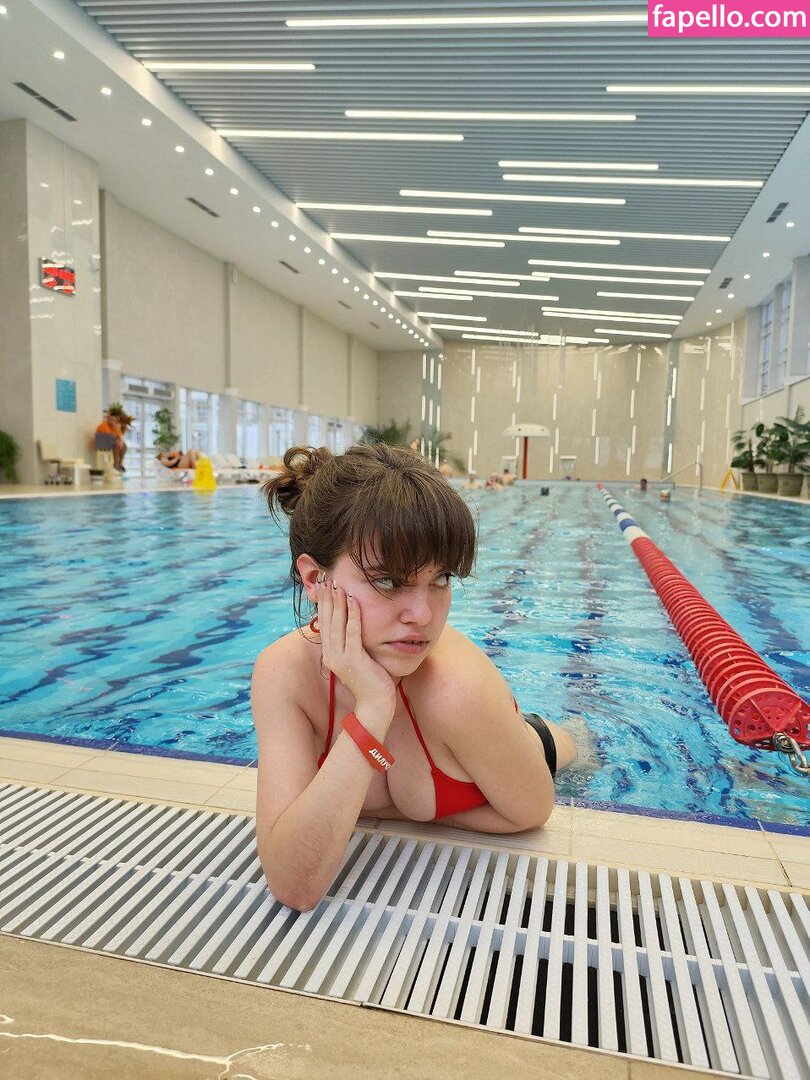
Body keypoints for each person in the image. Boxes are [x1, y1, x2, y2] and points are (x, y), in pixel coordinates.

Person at [251, 444, 576, 911]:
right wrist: (373, 706)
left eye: (441, 579)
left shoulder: (457, 689)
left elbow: (530, 813)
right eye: (387, 581)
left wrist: (387, 807)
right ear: (315, 579)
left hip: (534, 745)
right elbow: (294, 884)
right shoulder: (284, 674)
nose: (422, 615)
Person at [94, 406, 130, 473]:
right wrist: (118, 440)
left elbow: (120, 437)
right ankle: (115, 463)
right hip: (102, 442)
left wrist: (121, 442)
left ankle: (120, 463)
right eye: (111, 420)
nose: (112, 421)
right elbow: (110, 437)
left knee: (124, 446)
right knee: (117, 443)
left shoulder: (116, 426)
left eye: (114, 420)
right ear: (108, 419)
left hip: (110, 442)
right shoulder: (104, 425)